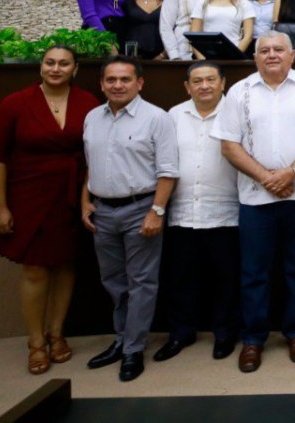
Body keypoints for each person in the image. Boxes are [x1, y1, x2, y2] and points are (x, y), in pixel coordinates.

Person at [213, 32, 295, 373]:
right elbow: (229, 145)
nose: (271, 55)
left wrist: (291, 172)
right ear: (255, 58)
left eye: (278, 49)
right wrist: (267, 177)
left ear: (292, 55)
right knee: (254, 273)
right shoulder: (239, 91)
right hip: (255, 198)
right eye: (264, 50)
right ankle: (253, 339)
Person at [0, 45, 100, 374]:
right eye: (50, 62)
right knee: (35, 268)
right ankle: (35, 342)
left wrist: (86, 197)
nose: (56, 68)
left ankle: (57, 334)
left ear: (75, 69)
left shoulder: (88, 103)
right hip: (27, 195)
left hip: (71, 194)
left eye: (64, 63)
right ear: (41, 67)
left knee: (65, 264)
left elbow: (93, 154)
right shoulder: (15, 104)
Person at [81, 56, 179, 382]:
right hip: (102, 211)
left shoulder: (157, 119)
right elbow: (91, 165)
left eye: (125, 79)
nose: (118, 85)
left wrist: (157, 211)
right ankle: (121, 339)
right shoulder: (92, 118)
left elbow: (168, 171)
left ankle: (133, 350)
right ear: (102, 84)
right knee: (114, 282)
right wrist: (85, 201)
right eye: (111, 80)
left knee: (141, 283)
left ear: (140, 83)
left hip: (141, 209)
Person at [156, 62, 240, 363]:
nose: (204, 86)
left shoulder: (237, 113)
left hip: (226, 211)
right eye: (197, 81)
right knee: (180, 278)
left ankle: (225, 333)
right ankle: (181, 333)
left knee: (226, 279)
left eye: (210, 80)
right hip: (182, 211)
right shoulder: (174, 115)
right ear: (187, 86)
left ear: (223, 83)